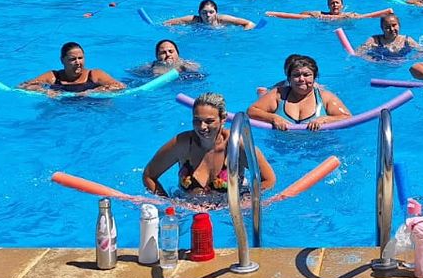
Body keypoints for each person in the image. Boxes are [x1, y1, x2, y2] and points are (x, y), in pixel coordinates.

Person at [143, 93, 278, 196]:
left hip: (227, 214)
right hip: (189, 210)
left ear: (223, 119)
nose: (202, 127)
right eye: (197, 120)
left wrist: (245, 203)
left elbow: (268, 179)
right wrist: (169, 205)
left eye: (209, 121)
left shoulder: (236, 145)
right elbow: (149, 175)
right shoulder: (182, 143)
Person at [246, 55, 352, 131]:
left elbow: (348, 118)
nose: (301, 79)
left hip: (319, 147)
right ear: (289, 79)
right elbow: (251, 111)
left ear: (314, 78)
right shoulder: (278, 95)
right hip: (281, 149)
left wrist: (325, 119)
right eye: (296, 75)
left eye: (306, 75)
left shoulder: (325, 97)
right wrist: (273, 118)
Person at [19, 42, 126, 95]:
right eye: (72, 59)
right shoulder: (53, 77)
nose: (78, 62)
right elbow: (23, 86)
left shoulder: (94, 74)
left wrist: (92, 92)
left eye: (80, 58)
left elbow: (120, 86)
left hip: (93, 104)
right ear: (62, 60)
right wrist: (45, 91)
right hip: (64, 106)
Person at [355, 13, 423, 59]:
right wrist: (371, 59)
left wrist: (411, 58)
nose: (392, 29)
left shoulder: (407, 40)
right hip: (380, 66)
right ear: (382, 28)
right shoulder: (374, 40)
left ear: (399, 25)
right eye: (387, 27)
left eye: (394, 25)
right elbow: (358, 53)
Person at [163, 0, 256, 29]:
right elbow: (166, 23)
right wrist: (175, 30)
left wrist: (245, 34)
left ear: (216, 13)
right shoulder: (194, 19)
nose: (208, 15)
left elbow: (249, 23)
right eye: (204, 12)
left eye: (211, 12)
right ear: (199, 13)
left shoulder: (223, 19)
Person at [270, 0, 370, 20]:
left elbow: (363, 17)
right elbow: (301, 14)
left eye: (337, 3)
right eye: (332, 3)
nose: (334, 5)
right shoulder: (321, 14)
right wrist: (313, 14)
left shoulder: (349, 15)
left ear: (342, 6)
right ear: (328, 6)